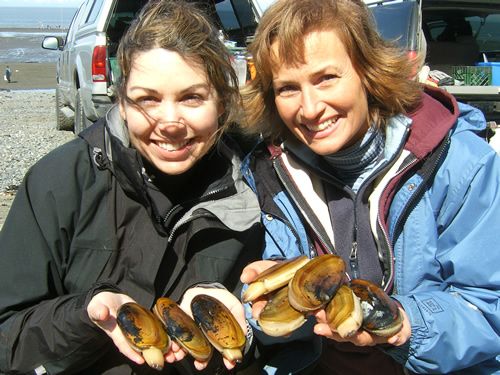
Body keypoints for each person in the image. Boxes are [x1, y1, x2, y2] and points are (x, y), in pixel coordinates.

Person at [0, 1, 263, 374]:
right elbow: (6, 338)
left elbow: (281, 334)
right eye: (147, 99)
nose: (169, 122)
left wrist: (244, 334)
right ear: (121, 101)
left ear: (220, 101)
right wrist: (85, 316)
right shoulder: (61, 182)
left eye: (192, 97)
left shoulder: (255, 188)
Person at [238, 0, 500, 374]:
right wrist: (270, 304)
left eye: (326, 78)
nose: (310, 108)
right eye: (288, 88)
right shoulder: (266, 174)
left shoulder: (459, 162)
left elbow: (489, 305)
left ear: (367, 70)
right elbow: (261, 319)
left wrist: (404, 325)